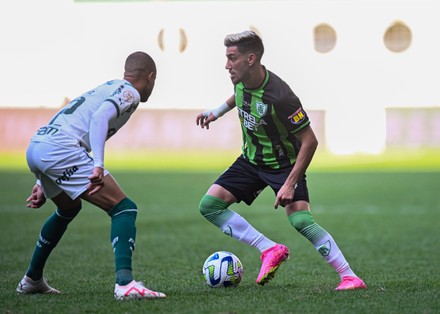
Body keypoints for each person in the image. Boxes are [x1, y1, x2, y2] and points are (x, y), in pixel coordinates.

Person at [196, 31, 366, 290]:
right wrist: (216, 112)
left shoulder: (281, 96)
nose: (227, 65)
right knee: (210, 205)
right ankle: (269, 249)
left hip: (284, 165)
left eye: (232, 58)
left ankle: (350, 277)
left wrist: (289, 183)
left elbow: (310, 141)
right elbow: (238, 95)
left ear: (251, 59)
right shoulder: (240, 79)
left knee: (300, 221)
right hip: (251, 160)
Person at [16, 51, 166, 300]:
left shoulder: (108, 86)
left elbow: (72, 121)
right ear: (150, 77)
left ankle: (32, 279)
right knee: (124, 208)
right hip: (60, 149)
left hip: (39, 145)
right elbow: (99, 118)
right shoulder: (130, 93)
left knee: (68, 208)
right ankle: (125, 284)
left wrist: (41, 179)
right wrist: (98, 164)